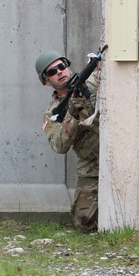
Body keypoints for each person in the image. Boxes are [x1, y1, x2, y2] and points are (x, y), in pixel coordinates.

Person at [35, 50, 100, 231]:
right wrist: (71, 115)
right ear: (46, 81)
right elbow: (59, 145)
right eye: (52, 72)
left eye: (62, 66)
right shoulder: (54, 113)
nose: (59, 72)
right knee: (83, 222)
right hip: (92, 167)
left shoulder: (92, 83)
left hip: (120, 155)